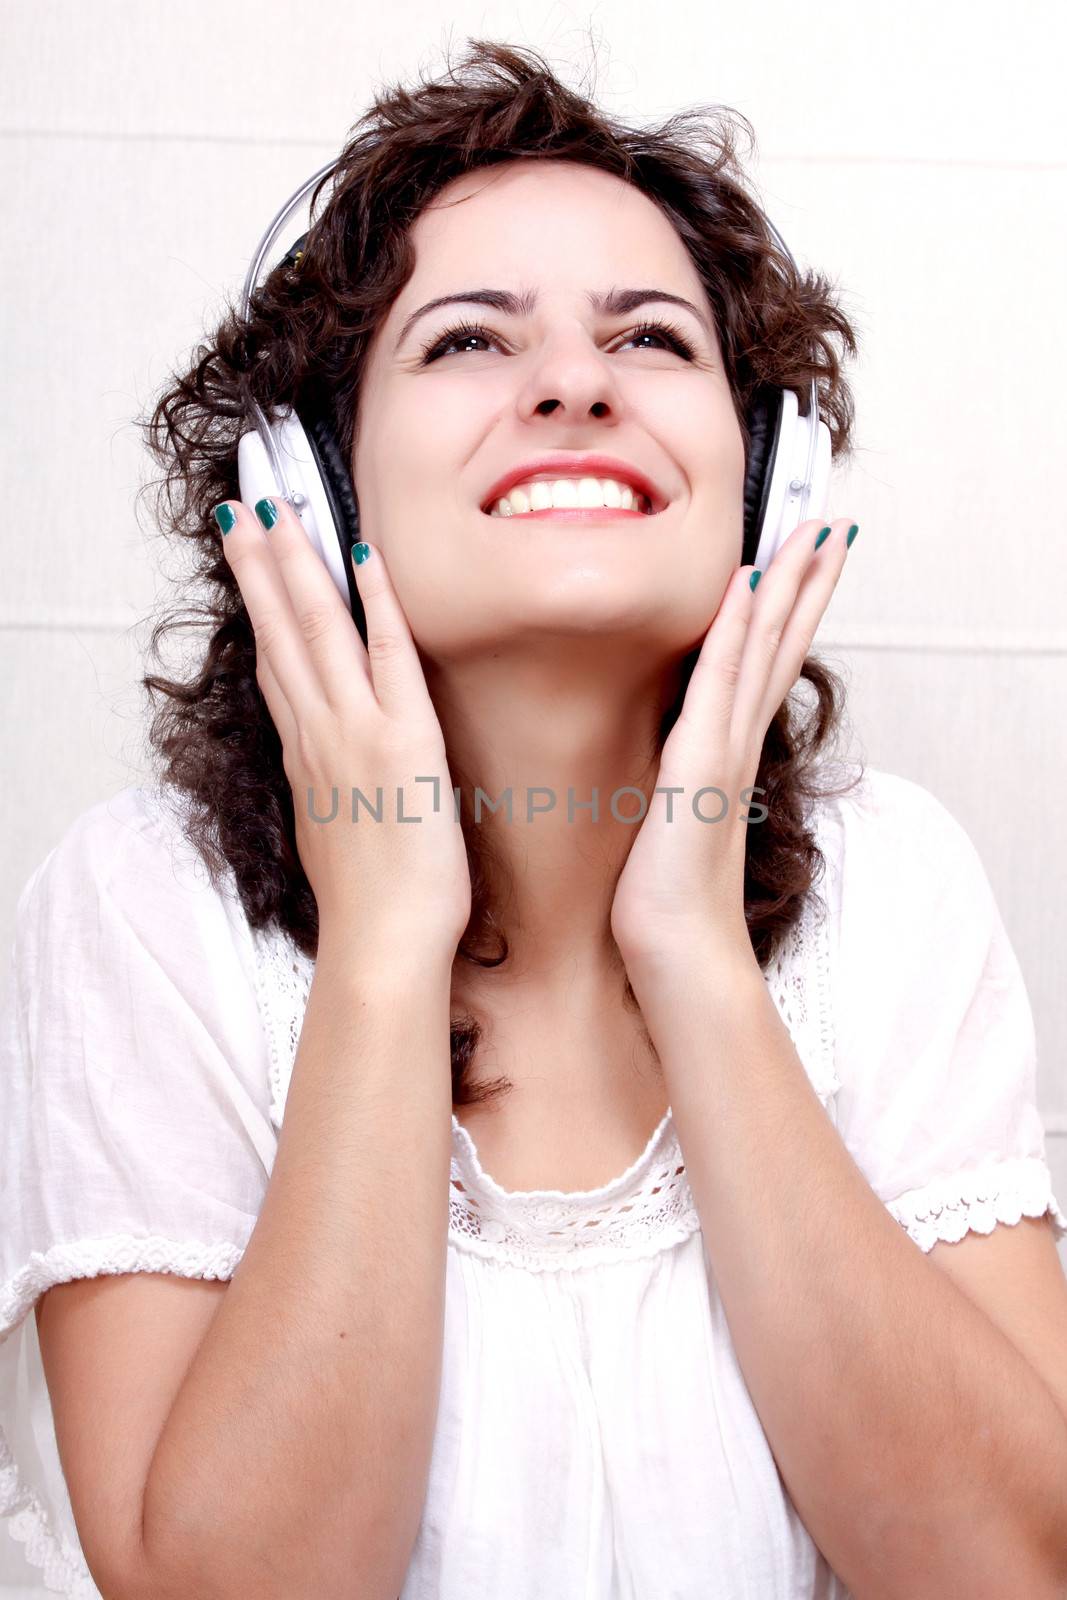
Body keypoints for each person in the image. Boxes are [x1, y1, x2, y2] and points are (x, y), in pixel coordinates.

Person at [3, 38, 1066, 1600]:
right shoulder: (141, 904)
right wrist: (381, 940)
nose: (575, 384)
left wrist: (691, 942)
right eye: (466, 343)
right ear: (312, 489)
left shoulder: (894, 890)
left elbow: (1002, 1569)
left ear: (772, 481)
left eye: (650, 338)